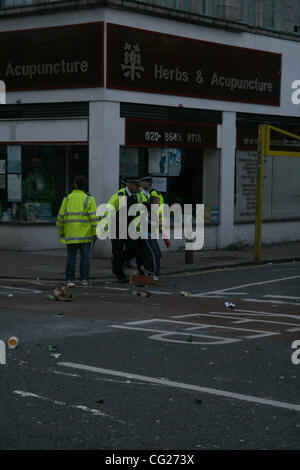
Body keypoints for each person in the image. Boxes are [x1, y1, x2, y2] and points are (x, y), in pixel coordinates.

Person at [56, 175, 98, 287]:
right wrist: (96, 232)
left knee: (71, 257)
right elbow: (93, 218)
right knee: (85, 258)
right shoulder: (89, 199)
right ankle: (84, 279)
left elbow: (60, 217)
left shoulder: (67, 198)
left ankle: (70, 279)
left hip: (70, 234)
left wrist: (61, 231)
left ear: (75, 185)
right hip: (86, 235)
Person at [102, 177, 142, 283]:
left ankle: (116, 263)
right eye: (136, 185)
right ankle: (120, 276)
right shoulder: (119, 195)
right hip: (116, 228)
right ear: (129, 184)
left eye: (139, 186)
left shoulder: (136, 196)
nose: (138, 188)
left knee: (134, 249)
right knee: (118, 252)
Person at [139, 195, 162, 280]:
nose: (159, 204)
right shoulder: (148, 210)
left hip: (151, 236)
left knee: (158, 254)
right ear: (153, 203)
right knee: (154, 254)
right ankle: (153, 274)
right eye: (157, 202)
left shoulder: (155, 212)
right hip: (146, 236)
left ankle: (145, 267)